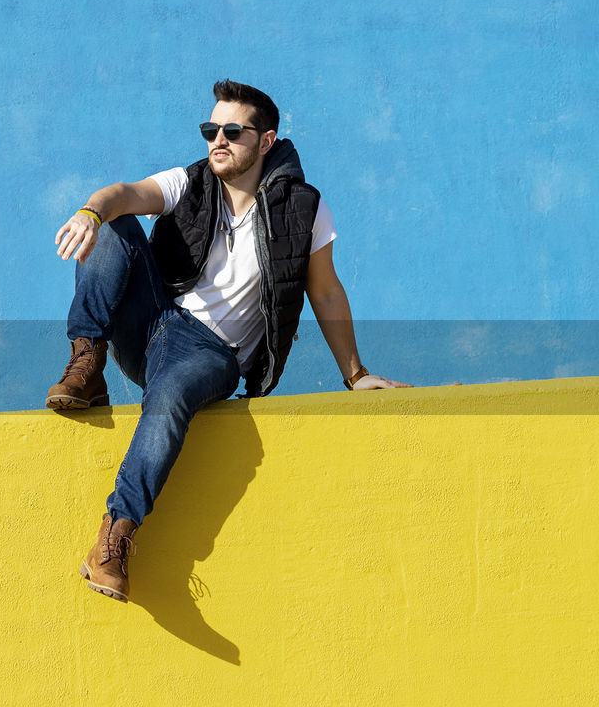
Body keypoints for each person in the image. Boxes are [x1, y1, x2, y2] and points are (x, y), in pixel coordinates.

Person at [48, 79, 411, 602]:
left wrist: (354, 375)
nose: (217, 140)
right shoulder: (190, 181)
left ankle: (115, 535)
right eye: (210, 129)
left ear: (265, 141)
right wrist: (90, 211)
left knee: (169, 397)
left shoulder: (304, 211)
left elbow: (326, 292)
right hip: (154, 321)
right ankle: (86, 361)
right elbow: (124, 195)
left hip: (212, 353)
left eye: (232, 131)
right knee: (114, 223)